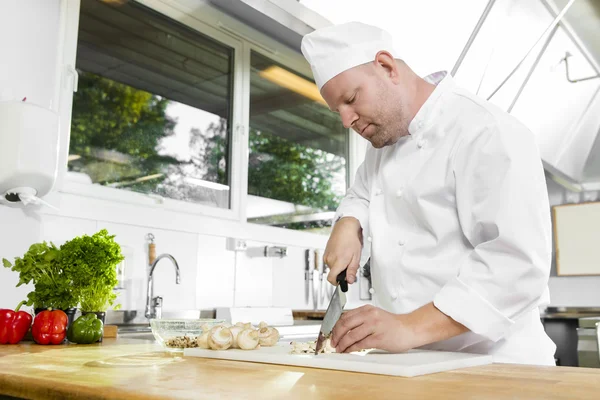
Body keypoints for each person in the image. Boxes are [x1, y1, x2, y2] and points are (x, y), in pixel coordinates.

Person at [301, 21, 556, 365]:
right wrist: (348, 223)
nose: (346, 120)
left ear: (386, 66)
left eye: (351, 99)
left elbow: (516, 265)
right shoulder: (383, 143)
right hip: (414, 365)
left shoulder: (486, 130)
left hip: (497, 366)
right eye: (338, 112)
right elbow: (362, 191)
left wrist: (408, 327)